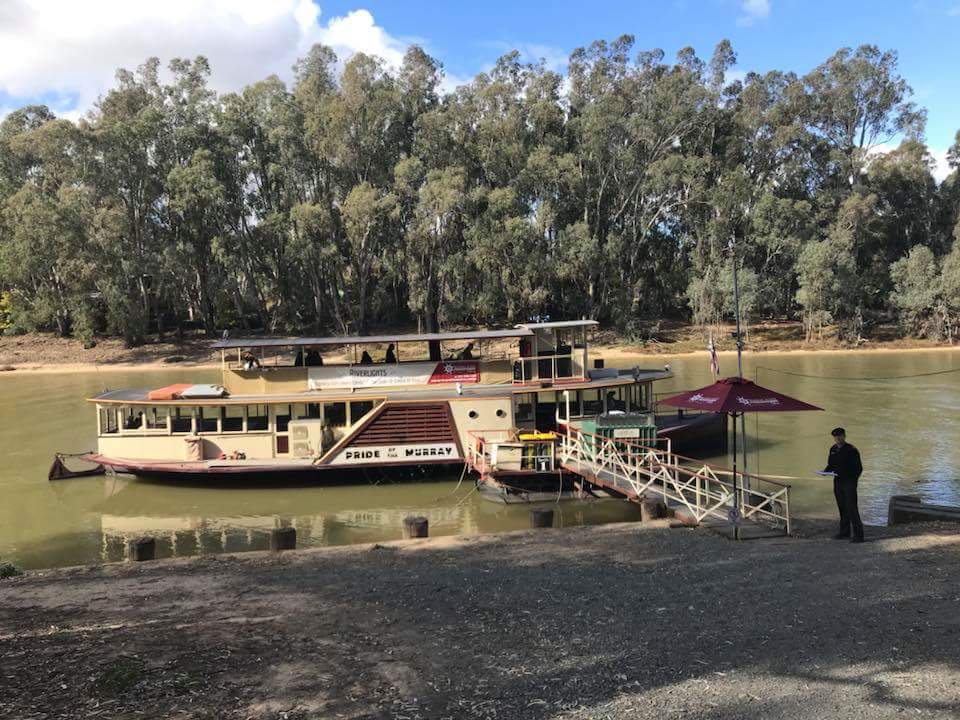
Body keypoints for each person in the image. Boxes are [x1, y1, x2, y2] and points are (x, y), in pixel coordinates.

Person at [824, 427, 864, 543]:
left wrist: (852, 480)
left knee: (852, 507)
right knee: (842, 507)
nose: (837, 438)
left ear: (844, 436)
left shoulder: (851, 450)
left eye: (840, 436)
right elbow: (830, 464)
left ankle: (859, 535)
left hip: (849, 482)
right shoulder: (833, 449)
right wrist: (825, 471)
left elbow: (859, 469)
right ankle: (845, 532)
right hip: (837, 481)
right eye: (835, 436)